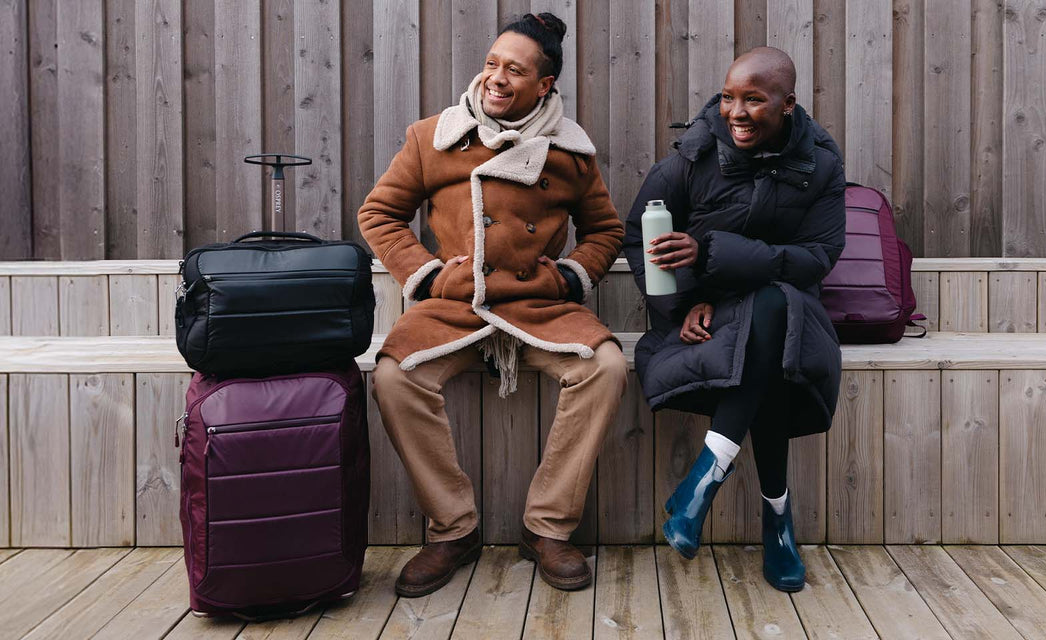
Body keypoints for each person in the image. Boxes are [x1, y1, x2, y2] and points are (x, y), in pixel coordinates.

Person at [356, 12, 626, 595]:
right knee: (395, 377)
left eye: (514, 70)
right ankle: (453, 529)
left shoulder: (571, 152)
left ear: (544, 84)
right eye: (491, 63)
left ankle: (548, 527)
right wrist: (429, 277)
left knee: (605, 367)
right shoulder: (434, 136)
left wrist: (571, 277)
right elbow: (378, 214)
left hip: (538, 303)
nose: (496, 78)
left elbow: (606, 231)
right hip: (458, 302)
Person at [628, 47, 845, 593]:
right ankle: (778, 517)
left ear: (787, 104)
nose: (736, 112)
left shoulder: (819, 164)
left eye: (754, 99)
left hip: (789, 307)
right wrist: (682, 303)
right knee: (767, 352)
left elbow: (817, 257)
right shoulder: (693, 156)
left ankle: (704, 480)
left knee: (772, 315)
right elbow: (641, 236)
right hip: (703, 312)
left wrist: (709, 251)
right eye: (728, 97)